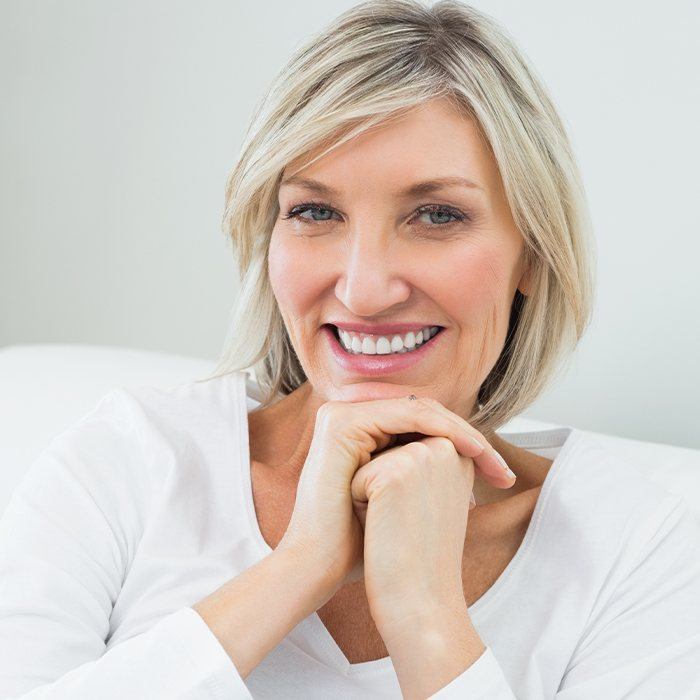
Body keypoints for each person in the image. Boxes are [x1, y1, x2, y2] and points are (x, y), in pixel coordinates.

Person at [1, 0, 699, 698]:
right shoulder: (129, 459)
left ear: (533, 257)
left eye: (437, 215)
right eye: (315, 212)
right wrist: (297, 569)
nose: (364, 291)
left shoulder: (644, 538)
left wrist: (426, 617)